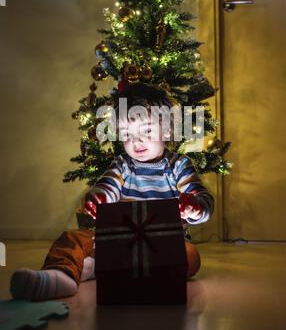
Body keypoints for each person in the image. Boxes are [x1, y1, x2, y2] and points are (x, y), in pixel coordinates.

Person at [10, 83, 214, 300]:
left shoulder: (178, 166)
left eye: (146, 130)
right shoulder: (123, 165)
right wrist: (98, 199)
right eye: (127, 134)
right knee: (73, 239)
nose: (136, 141)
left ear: (167, 130)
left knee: (190, 255)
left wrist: (194, 207)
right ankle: (61, 276)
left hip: (163, 244)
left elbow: (204, 200)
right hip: (117, 241)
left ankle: (98, 268)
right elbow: (106, 187)